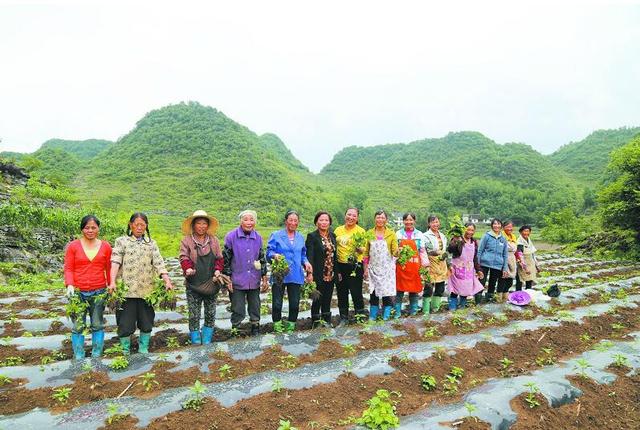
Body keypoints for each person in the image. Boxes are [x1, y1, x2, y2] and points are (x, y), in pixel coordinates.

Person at [109, 213, 173, 355]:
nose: (139, 227)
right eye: (136, 224)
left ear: (146, 226)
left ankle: (143, 348)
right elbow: (115, 261)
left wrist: (166, 279)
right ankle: (125, 350)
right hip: (126, 291)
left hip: (146, 291)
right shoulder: (121, 241)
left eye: (142, 225)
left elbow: (158, 262)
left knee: (146, 321)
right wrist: (112, 281)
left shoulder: (151, 243)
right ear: (130, 225)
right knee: (125, 323)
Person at [64, 215, 112, 359]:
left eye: (93, 227)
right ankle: (79, 355)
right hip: (78, 292)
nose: (90, 230)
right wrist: (70, 284)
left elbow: (109, 269)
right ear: (82, 229)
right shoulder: (73, 246)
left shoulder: (106, 246)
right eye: (87, 228)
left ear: (98, 229)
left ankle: (96, 354)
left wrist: (111, 285)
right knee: (78, 326)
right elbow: (69, 268)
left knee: (97, 324)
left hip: (99, 291)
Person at [179, 210, 224, 345]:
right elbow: (183, 257)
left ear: (208, 226)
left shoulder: (213, 240)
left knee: (210, 313)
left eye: (204, 223)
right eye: (199, 223)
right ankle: (196, 340)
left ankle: (207, 340)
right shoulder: (187, 240)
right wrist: (187, 268)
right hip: (193, 284)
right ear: (193, 225)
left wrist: (217, 271)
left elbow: (219, 259)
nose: (202, 226)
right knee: (194, 314)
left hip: (211, 283)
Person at [222, 210, 269, 336]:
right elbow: (226, 258)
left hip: (254, 278)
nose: (249, 222)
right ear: (240, 221)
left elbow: (261, 258)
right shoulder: (231, 236)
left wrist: (264, 277)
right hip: (237, 278)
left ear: (255, 222)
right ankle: (235, 330)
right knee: (237, 307)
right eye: (246, 220)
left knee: (255, 305)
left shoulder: (258, 237)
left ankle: (255, 328)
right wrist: (227, 278)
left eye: (251, 220)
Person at [267, 210, 313, 333]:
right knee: (277, 303)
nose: (293, 222)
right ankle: (277, 326)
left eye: (295, 220)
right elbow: (268, 252)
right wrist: (274, 255)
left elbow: (303, 254)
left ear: (298, 222)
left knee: (294, 304)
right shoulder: (276, 235)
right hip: (280, 274)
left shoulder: (300, 237)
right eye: (290, 220)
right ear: (286, 221)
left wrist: (306, 262)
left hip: (296, 275)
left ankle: (291, 326)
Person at [363, 210, 398, 320]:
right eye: (378, 217)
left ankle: (386, 316)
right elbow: (365, 253)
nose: (380, 220)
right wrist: (365, 269)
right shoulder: (369, 233)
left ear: (386, 220)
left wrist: (399, 251)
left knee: (386, 293)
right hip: (373, 268)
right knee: (373, 293)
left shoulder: (391, 234)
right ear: (375, 219)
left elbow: (394, 251)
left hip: (387, 268)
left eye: (382, 218)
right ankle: (373, 316)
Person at [333, 208, 367, 324]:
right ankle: (344, 318)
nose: (351, 217)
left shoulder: (361, 231)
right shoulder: (338, 230)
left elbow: (364, 249)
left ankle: (360, 316)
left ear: (357, 218)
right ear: (345, 215)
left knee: (356, 292)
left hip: (355, 266)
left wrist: (359, 249)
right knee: (341, 292)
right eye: (349, 215)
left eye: (354, 216)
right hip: (340, 265)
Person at [305, 211, 337, 327]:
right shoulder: (312, 236)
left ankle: (327, 321)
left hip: (330, 273)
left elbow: (335, 255)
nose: (324, 222)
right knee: (317, 298)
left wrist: (337, 272)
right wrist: (310, 273)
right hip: (318, 273)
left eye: (326, 220)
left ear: (329, 222)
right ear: (316, 222)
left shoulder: (333, 236)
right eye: (321, 220)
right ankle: (316, 323)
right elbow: (310, 256)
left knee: (327, 298)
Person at [394, 213, 428, 318]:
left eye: (411, 220)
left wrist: (425, 265)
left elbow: (422, 251)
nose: (409, 222)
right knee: (399, 290)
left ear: (414, 221)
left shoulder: (419, 235)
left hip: (414, 266)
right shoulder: (398, 234)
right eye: (406, 220)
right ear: (403, 221)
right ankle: (397, 313)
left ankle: (413, 312)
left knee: (414, 290)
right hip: (401, 266)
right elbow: (394, 251)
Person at [446, 223, 484, 310]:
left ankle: (462, 308)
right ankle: (452, 309)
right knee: (455, 290)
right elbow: (450, 250)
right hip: (457, 269)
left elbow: (475, 257)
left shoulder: (474, 242)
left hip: (468, 270)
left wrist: (478, 270)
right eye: (468, 229)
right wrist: (455, 240)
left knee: (465, 290)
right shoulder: (459, 239)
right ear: (464, 229)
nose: (470, 232)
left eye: (472, 230)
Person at [477, 218, 509, 303]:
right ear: (492, 226)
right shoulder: (486, 236)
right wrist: (477, 265)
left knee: (492, 282)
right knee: (481, 281)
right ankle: (478, 300)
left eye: (498, 224)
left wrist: (505, 268)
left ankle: (489, 299)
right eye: (494, 224)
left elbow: (505, 254)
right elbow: (480, 251)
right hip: (485, 263)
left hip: (498, 264)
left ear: (501, 226)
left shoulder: (503, 239)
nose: (496, 226)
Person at [423, 215, 449, 314]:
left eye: (437, 222)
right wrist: (439, 253)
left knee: (440, 288)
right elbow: (428, 250)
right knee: (428, 288)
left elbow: (444, 250)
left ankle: (435, 309)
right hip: (430, 264)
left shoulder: (442, 236)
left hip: (441, 265)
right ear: (429, 224)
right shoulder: (425, 236)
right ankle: (425, 310)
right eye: (433, 222)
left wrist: (444, 257)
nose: (435, 224)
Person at [497, 220, 518, 302]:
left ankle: (505, 298)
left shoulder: (513, 237)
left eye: (511, 227)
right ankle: (499, 298)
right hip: (503, 259)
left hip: (512, 260)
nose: (510, 228)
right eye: (508, 227)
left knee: (509, 281)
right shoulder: (501, 236)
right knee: (503, 279)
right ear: (503, 227)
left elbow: (515, 250)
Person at [516, 225, 539, 290]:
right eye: (524, 231)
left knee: (529, 281)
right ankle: (518, 297)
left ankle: (527, 296)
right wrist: (525, 268)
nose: (526, 233)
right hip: (522, 264)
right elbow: (520, 256)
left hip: (530, 263)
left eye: (528, 231)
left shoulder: (529, 240)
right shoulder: (519, 242)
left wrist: (537, 266)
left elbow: (533, 254)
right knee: (520, 281)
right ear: (520, 232)